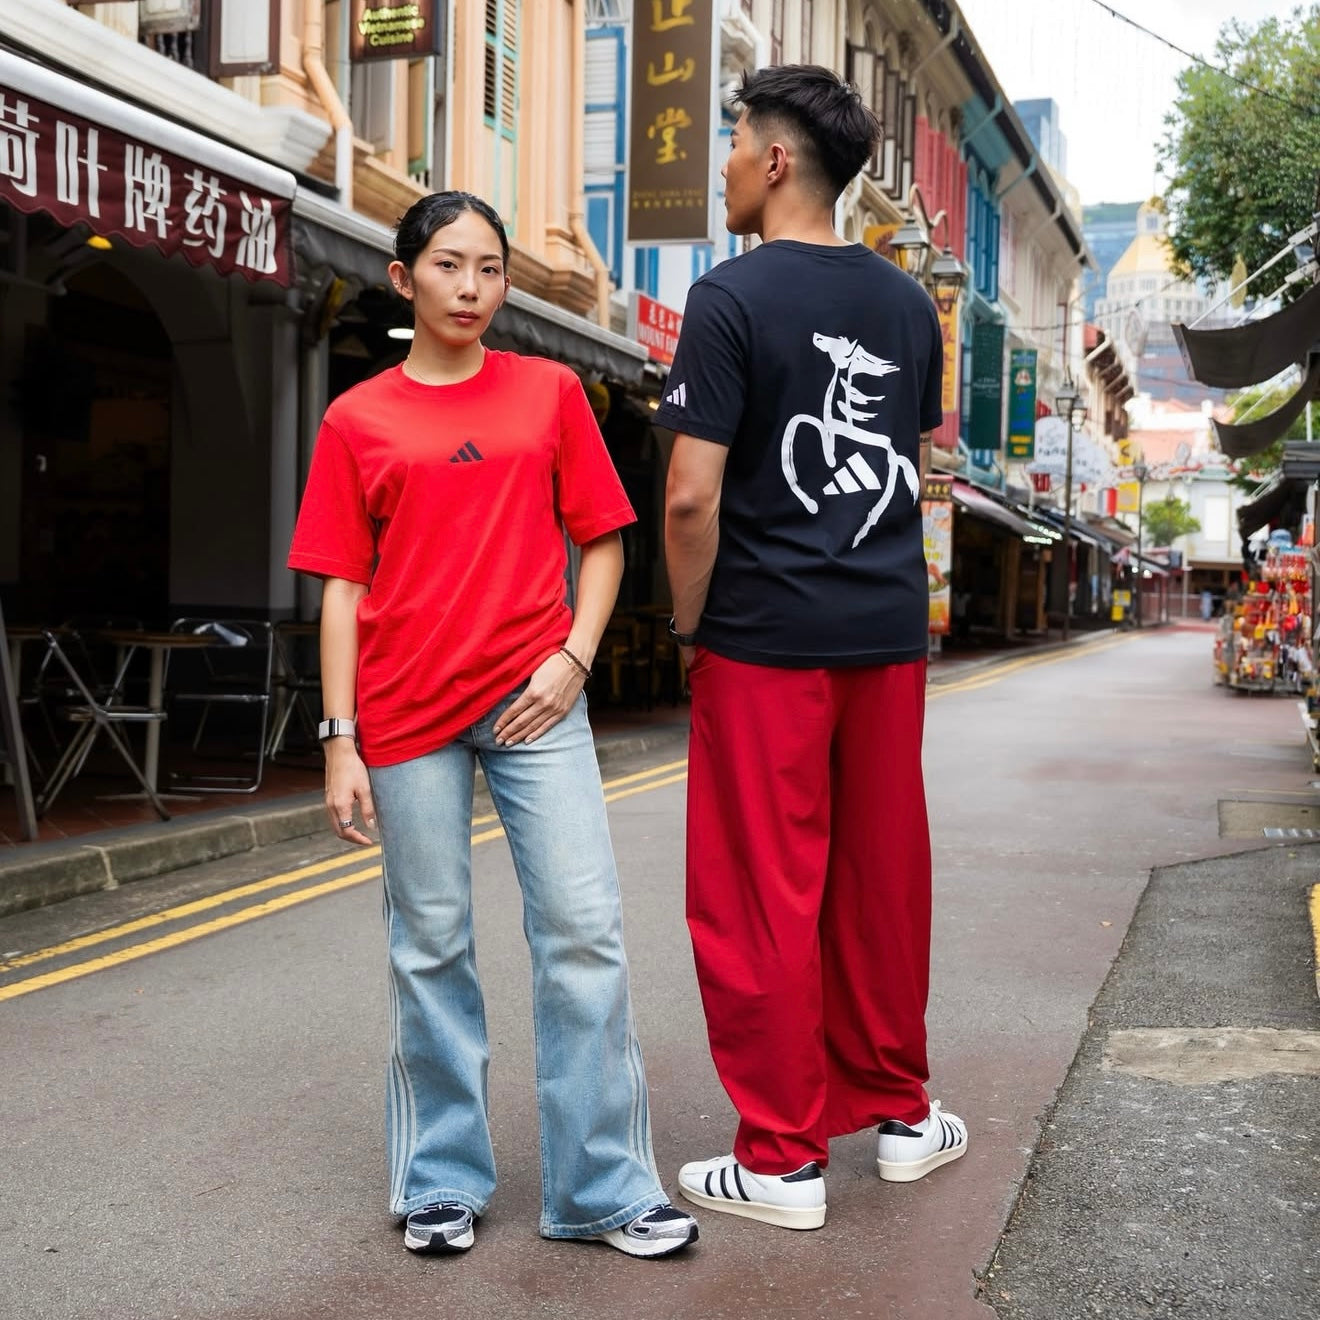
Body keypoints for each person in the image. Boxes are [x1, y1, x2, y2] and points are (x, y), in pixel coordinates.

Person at [287, 191, 697, 1260]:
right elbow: (341, 586)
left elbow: (602, 541)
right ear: (402, 278)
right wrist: (340, 738)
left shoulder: (550, 391)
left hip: (537, 701)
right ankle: (441, 1180)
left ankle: (603, 1188)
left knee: (583, 932)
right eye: (448, 265)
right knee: (430, 945)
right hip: (405, 711)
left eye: (490, 268)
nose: (471, 287)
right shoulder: (356, 418)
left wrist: (574, 659)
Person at [660, 66, 967, 1231]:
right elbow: (913, 466)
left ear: (777, 160)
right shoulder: (909, 307)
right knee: (881, 876)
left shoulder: (728, 298)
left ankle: (782, 1159)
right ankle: (901, 1118)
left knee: (759, 890)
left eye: (736, 143)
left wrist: (691, 625)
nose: (726, 165)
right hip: (885, 633)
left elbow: (692, 497)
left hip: (765, 636)